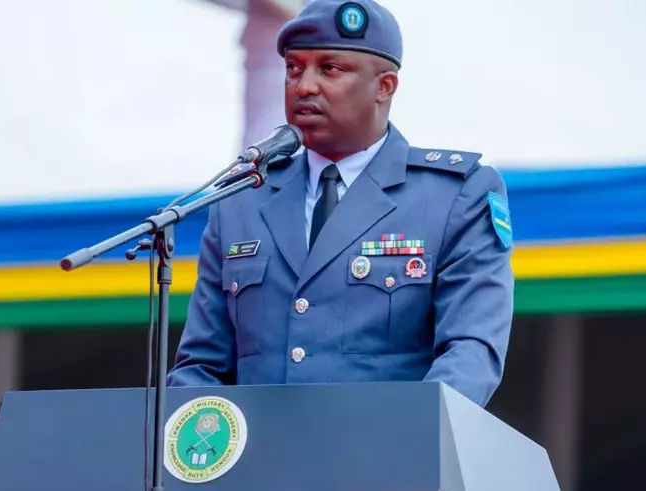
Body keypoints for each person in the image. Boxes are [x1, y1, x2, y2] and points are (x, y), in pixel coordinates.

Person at [168, 0, 514, 407]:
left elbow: (471, 352)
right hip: (257, 447)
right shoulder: (240, 201)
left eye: (329, 69)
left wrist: (412, 435)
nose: (304, 86)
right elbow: (201, 366)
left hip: (388, 446)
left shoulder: (454, 195)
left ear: (385, 87)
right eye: (293, 69)